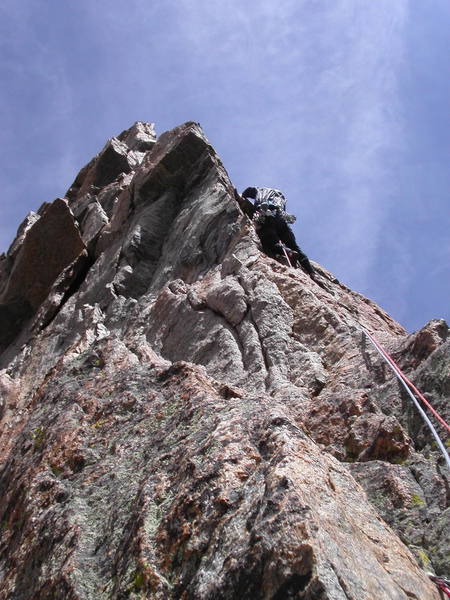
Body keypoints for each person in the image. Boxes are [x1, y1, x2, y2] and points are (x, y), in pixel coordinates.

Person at [241, 187, 315, 276]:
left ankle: (289, 253)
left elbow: (249, 190)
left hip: (265, 210)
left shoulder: (260, 190)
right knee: (294, 246)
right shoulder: (281, 196)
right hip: (281, 219)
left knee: (268, 239)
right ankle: (311, 272)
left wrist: (242, 197)